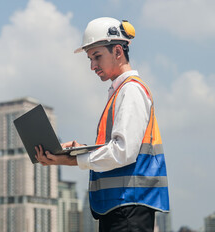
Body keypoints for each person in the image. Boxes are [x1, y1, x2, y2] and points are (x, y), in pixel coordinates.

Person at [35, 17, 169, 232]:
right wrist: (76, 151)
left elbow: (122, 151)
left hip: (128, 208)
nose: (92, 66)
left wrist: (73, 160)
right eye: (90, 58)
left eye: (97, 56)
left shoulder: (131, 90)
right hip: (121, 207)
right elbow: (118, 149)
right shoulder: (119, 92)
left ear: (118, 51)